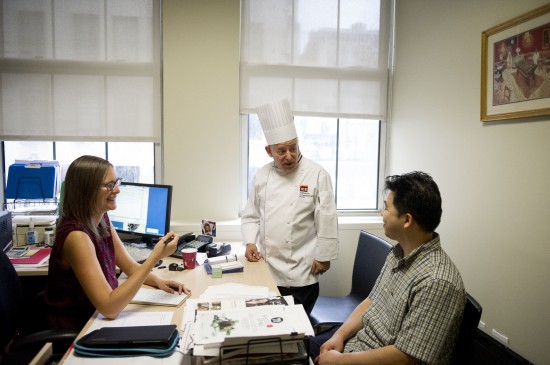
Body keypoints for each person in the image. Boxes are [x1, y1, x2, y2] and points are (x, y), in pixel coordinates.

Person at [310, 171, 466, 365]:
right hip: (358, 343)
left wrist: (341, 361)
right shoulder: (398, 252)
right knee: (293, 348)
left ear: (407, 220)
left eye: (386, 208)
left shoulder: (437, 281)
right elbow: (372, 300)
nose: (381, 214)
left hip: (380, 358)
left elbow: (406, 357)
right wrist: (339, 336)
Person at [45, 155, 191, 330]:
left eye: (116, 182)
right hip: (78, 329)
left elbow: (130, 267)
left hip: (95, 319)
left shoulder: (101, 220)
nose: (117, 190)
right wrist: (154, 257)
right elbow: (110, 308)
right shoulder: (76, 236)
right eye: (109, 185)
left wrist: (159, 281)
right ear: (87, 190)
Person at [241, 99, 339, 316]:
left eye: (293, 148)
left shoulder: (317, 174)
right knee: (271, 327)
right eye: (282, 150)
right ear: (269, 151)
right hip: (268, 269)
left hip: (302, 272)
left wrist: (324, 256)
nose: (289, 156)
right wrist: (250, 242)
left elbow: (328, 219)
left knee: (295, 331)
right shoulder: (262, 176)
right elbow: (251, 215)